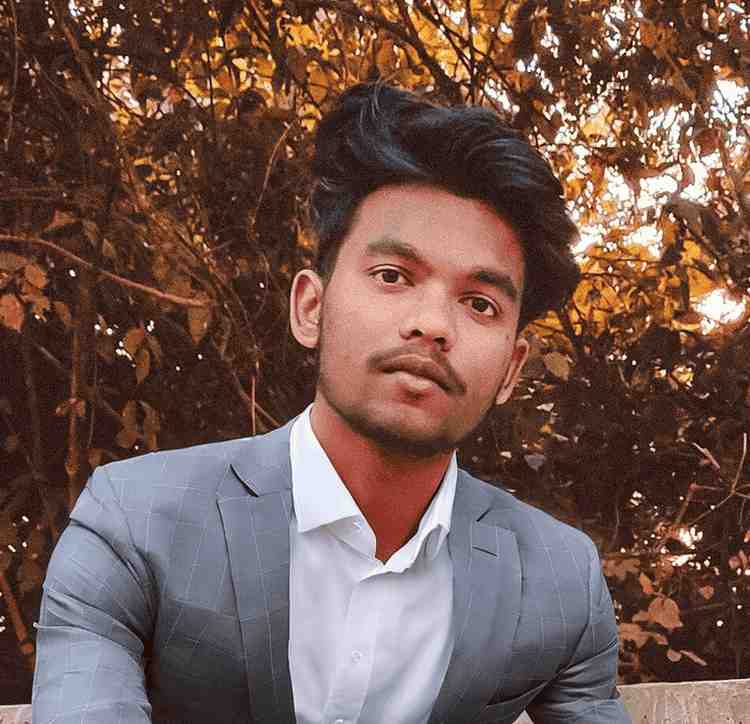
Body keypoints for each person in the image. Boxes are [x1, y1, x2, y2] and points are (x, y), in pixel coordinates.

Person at [32, 82, 631, 724]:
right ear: (311, 308)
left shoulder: (558, 581)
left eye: (480, 304)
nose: (433, 324)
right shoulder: (136, 521)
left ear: (512, 368)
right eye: (392, 276)